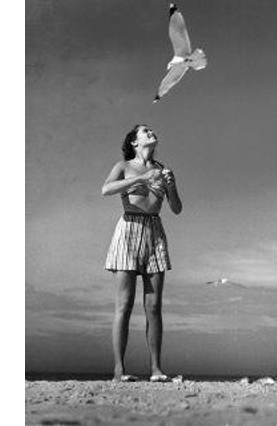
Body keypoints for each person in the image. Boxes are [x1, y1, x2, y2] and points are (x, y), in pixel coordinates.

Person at [102, 124, 182, 382]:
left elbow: (177, 208)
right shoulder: (123, 166)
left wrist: (172, 186)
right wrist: (140, 179)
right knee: (124, 305)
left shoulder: (162, 169)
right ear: (134, 142)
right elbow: (106, 189)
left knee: (154, 306)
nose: (151, 132)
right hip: (128, 228)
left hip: (154, 231)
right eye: (145, 131)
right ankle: (119, 370)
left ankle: (156, 369)